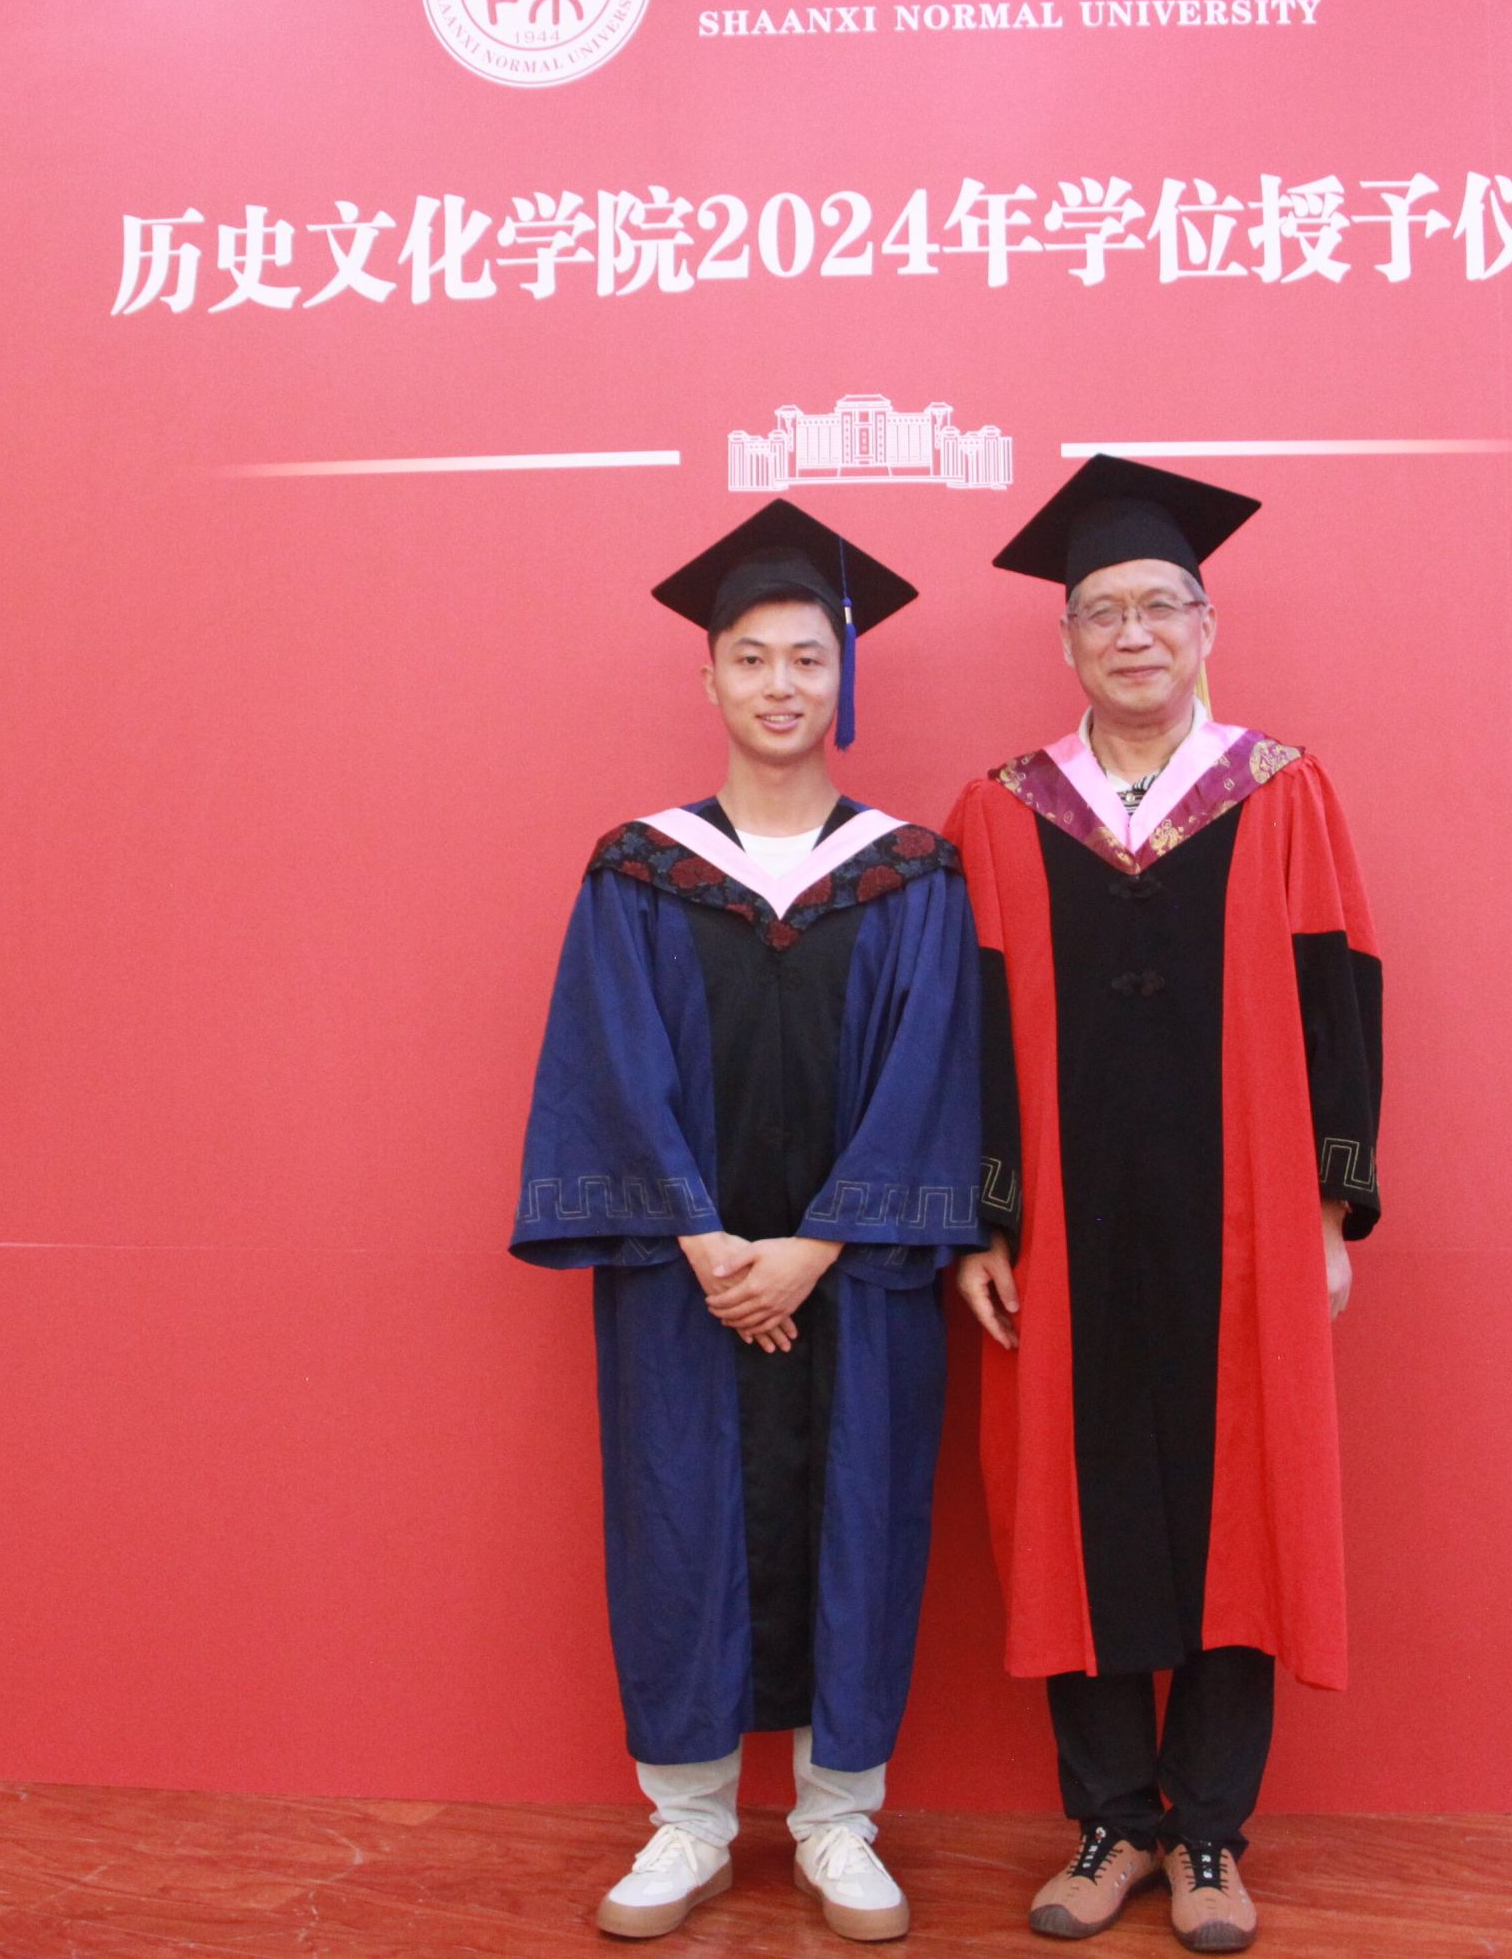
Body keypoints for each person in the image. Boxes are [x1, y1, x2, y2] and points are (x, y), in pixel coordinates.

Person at [511, 500, 985, 1942]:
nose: (782, 685)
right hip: (687, 1280)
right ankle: (690, 1821)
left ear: (845, 678)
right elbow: (612, 1067)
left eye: (808, 659)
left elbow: (932, 1069)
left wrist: (818, 1246)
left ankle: (840, 1824)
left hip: (858, 1278)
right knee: (679, 1521)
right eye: (753, 658)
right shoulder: (638, 870)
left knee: (863, 1521)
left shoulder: (911, 873)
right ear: (708, 676)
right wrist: (709, 1245)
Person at [947, 455, 1383, 1954]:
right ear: (1066, 639)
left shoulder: (1283, 789)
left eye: (1159, 607)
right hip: (1065, 1227)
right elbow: (968, 1025)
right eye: (1102, 612)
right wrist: (985, 1217)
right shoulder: (1004, 810)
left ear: (1206, 626)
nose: (1132, 634)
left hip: (1245, 1221)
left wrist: (1331, 1210)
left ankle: (1208, 1835)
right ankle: (1109, 1822)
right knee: (1073, 1502)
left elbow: (1339, 995)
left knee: (1234, 1502)